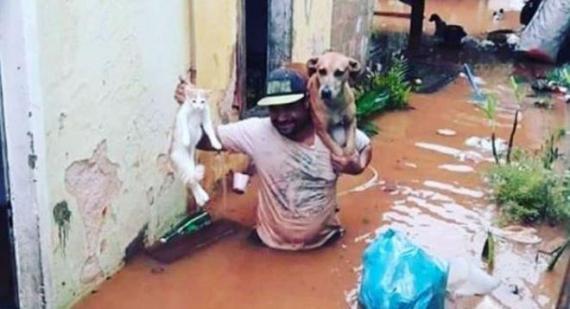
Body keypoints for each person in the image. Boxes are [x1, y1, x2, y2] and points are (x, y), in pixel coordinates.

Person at [174, 66, 372, 250]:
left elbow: (366, 146)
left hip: (325, 244)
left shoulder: (332, 133)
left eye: (289, 107)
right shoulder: (258, 131)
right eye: (274, 109)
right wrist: (191, 112)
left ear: (307, 103)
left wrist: (356, 165)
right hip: (268, 245)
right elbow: (204, 141)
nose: (281, 117)